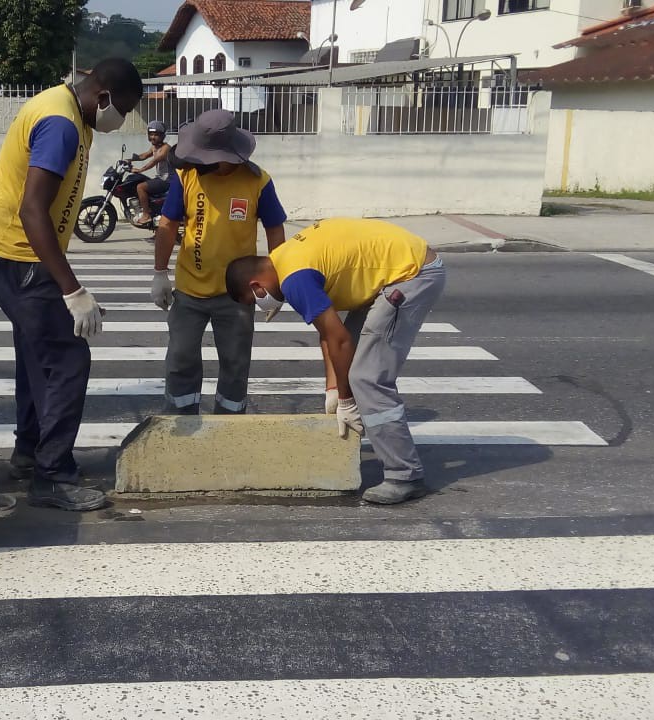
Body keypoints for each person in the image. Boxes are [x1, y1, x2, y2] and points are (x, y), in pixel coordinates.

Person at [0, 58, 144, 511]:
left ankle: (29, 454)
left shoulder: (70, 110)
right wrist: (73, 292)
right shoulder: (62, 123)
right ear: (102, 95)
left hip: (10, 252)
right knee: (67, 360)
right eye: (121, 110)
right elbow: (32, 211)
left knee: (36, 352)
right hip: (17, 254)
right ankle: (52, 476)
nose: (121, 121)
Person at [224, 218, 446, 505]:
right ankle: (397, 462)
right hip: (397, 269)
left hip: (412, 275)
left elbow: (337, 338)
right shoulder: (282, 259)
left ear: (257, 285)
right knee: (351, 365)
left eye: (254, 300)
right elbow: (328, 334)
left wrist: (346, 400)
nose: (261, 305)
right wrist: (332, 388)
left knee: (367, 378)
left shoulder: (294, 279)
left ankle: (404, 475)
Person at [150, 109, 287, 415]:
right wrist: (160, 273)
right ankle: (181, 420)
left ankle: (229, 427)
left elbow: (275, 229)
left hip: (236, 295)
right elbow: (168, 225)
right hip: (188, 291)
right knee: (180, 359)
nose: (201, 162)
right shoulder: (186, 176)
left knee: (236, 365)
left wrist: (276, 283)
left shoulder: (258, 182)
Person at [130, 120, 172, 227]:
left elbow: (154, 161)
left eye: (156, 135)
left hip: (166, 180)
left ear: (162, 136)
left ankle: (146, 215)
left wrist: (140, 170)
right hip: (160, 178)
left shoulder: (165, 148)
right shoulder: (154, 147)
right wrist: (129, 160)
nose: (153, 137)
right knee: (139, 181)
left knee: (141, 187)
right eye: (151, 134)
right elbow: (144, 156)